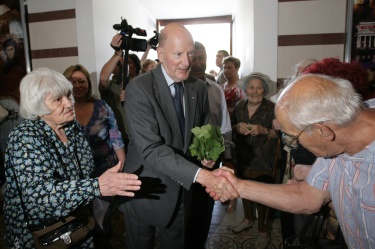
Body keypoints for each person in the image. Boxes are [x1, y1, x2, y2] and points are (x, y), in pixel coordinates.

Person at [213, 74, 375, 247]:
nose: (294, 144)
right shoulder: (336, 140)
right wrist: (236, 186)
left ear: (322, 131)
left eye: (293, 138)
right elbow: (307, 197)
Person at [119, 23, 238, 249]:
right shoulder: (139, 88)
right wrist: (201, 175)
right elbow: (151, 148)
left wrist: (207, 154)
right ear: (160, 54)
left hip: (183, 188)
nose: (186, 62)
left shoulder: (198, 87)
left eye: (190, 54)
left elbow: (204, 129)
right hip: (145, 188)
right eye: (178, 54)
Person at [3, 67, 141, 248]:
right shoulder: (25, 137)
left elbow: (83, 174)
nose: (69, 103)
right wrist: (97, 186)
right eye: (58, 99)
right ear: (38, 108)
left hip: (77, 227)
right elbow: (40, 198)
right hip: (41, 236)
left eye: (68, 96)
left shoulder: (71, 127)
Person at [63, 64, 127, 247]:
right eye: (72, 81)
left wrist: (122, 166)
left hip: (105, 173)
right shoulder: (61, 109)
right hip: (75, 178)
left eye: (81, 81)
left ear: (88, 84)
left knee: (102, 222)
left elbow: (115, 136)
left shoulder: (101, 106)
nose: (78, 85)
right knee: (79, 225)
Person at [187, 41, 233, 249]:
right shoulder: (178, 88)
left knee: (204, 207)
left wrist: (228, 158)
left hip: (211, 159)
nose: (197, 63)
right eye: (193, 58)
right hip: (183, 159)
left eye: (201, 58)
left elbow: (224, 125)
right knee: (184, 209)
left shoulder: (215, 89)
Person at [230, 73, 279, 249]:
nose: (255, 91)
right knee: (244, 191)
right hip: (243, 157)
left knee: (262, 196)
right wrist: (237, 127)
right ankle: (248, 219)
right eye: (251, 87)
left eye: (259, 87)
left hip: (264, 159)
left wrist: (263, 130)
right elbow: (232, 127)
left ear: (264, 90)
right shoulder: (239, 106)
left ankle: (264, 230)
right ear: (245, 89)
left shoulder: (273, 108)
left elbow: (279, 134)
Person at [221, 55, 244, 213]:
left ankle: (233, 199)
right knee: (225, 163)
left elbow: (242, 109)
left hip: (235, 128)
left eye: (230, 67)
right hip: (223, 128)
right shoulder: (222, 86)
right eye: (225, 67)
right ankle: (225, 192)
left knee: (233, 164)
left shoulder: (240, 87)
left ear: (236, 68)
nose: (226, 70)